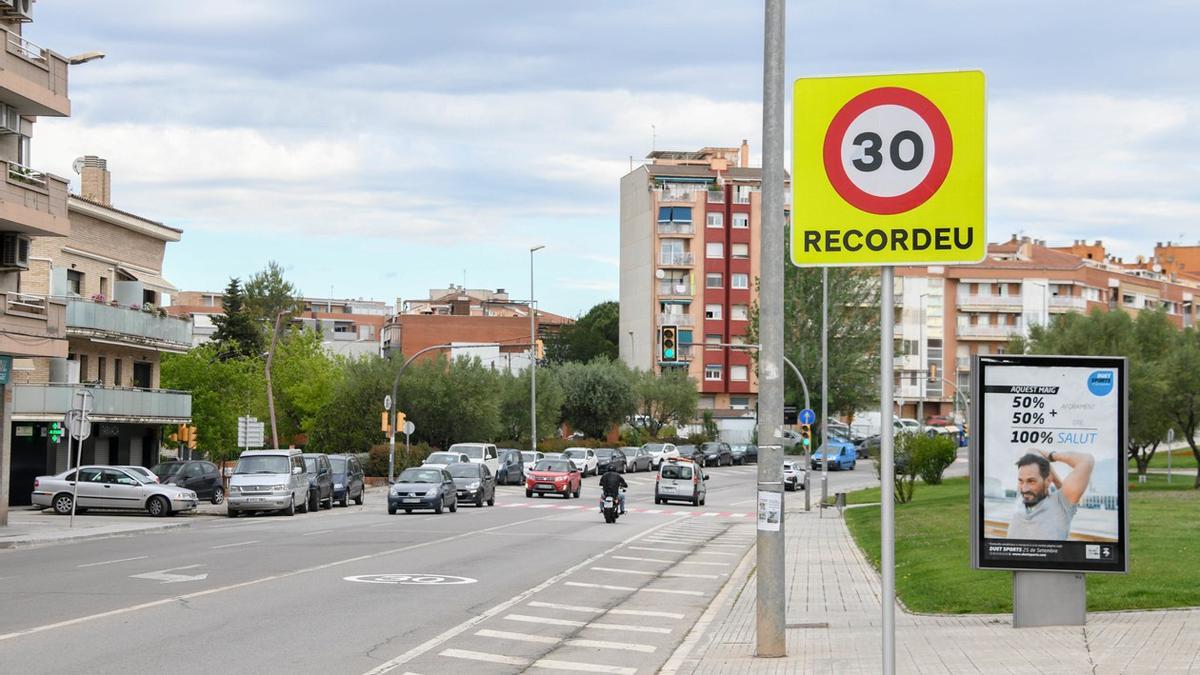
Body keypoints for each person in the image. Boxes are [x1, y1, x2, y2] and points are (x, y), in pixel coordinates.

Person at [1007, 449, 1095, 540]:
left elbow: (1087, 460)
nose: (1024, 489)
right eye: (1021, 481)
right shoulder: (1022, 496)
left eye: (1031, 481)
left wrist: (1052, 457)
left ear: (1048, 481)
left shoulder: (1060, 504)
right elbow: (1031, 451)